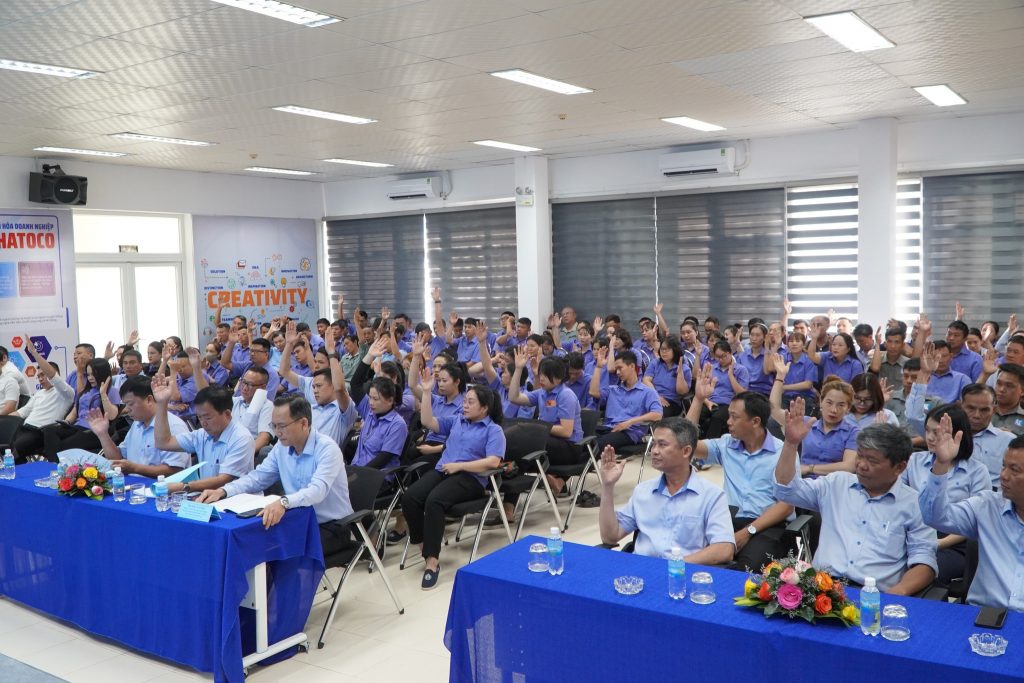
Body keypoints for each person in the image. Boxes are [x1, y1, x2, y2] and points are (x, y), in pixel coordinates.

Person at [774, 401, 938, 595]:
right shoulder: (836, 483)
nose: (861, 465)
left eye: (872, 460)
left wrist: (899, 591)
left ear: (899, 467)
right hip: (821, 590)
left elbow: (924, 562)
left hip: (874, 594)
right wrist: (791, 444)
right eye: (860, 456)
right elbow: (786, 490)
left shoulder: (915, 504)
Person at [198, 395, 354, 557]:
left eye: (282, 426)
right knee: (249, 544)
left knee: (276, 552)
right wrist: (224, 491)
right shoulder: (281, 447)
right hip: (296, 520)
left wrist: (283, 502)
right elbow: (258, 478)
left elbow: (317, 491)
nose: (277, 432)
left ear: (303, 423)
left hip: (331, 526)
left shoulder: (327, 449)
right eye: (274, 426)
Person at [401, 378, 506, 590]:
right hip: (445, 470)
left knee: (434, 501)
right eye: (465, 401)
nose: (464, 405)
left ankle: (432, 562)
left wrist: (461, 466)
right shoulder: (458, 420)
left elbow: (493, 462)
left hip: (471, 478)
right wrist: (427, 392)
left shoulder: (493, 430)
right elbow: (428, 421)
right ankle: (424, 547)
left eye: (470, 402)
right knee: (410, 498)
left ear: (484, 408)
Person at [686, 367, 793, 571]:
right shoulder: (727, 444)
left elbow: (786, 506)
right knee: (689, 554)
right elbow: (685, 444)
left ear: (755, 421)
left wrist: (748, 531)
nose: (728, 422)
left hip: (766, 525)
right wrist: (698, 400)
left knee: (745, 571)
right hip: (728, 519)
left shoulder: (783, 452)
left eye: (734, 417)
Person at [598, 417, 735, 563]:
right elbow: (610, 537)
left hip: (682, 572)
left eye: (662, 445)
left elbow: (724, 549)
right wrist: (608, 486)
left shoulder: (712, 496)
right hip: (640, 569)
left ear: (686, 451)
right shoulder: (642, 491)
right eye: (653, 444)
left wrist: (675, 565)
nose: (654, 451)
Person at [918, 432, 1024, 610]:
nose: (1003, 476)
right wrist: (941, 465)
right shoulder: (987, 506)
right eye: (1004, 466)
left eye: (1015, 470)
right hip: (983, 614)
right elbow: (934, 516)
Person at [900, 404, 987, 586]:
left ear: (956, 435)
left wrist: (938, 543)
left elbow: (976, 521)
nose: (930, 437)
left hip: (952, 541)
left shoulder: (977, 471)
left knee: (923, 573)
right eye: (927, 431)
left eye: (937, 432)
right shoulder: (914, 460)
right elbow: (899, 500)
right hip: (911, 531)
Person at [152, 379, 254, 494]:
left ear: (227, 414)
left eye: (208, 417)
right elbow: (163, 443)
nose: (203, 423)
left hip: (236, 500)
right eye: (199, 417)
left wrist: (184, 486)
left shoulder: (241, 438)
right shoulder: (202, 434)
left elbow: (223, 480)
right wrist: (162, 404)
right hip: (206, 497)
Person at [508, 352, 583, 494]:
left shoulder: (566, 395)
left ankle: (512, 499)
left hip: (569, 447)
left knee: (523, 446)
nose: (541, 378)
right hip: (549, 440)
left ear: (559, 378)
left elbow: (566, 431)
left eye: (546, 375)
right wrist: (518, 369)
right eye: (540, 374)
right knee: (519, 448)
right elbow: (514, 397)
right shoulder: (542, 392)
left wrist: (539, 428)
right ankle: (511, 498)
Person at [85, 376, 190, 477]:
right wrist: (103, 434)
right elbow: (118, 458)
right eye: (125, 404)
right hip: (134, 485)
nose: (127, 409)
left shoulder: (174, 426)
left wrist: (135, 469)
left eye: (130, 404)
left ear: (149, 400)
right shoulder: (137, 424)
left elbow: (175, 470)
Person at [769, 366, 859, 475]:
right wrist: (780, 377)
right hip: (804, 481)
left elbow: (849, 466)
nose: (834, 410)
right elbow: (774, 410)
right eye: (829, 403)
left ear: (848, 408)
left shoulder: (853, 432)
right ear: (821, 402)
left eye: (841, 405)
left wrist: (810, 468)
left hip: (834, 482)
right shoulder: (806, 423)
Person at [40, 358, 119, 461]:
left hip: (94, 430)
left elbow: (112, 415)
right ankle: (54, 464)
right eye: (88, 374)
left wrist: (103, 394)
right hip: (77, 426)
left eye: (93, 374)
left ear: (102, 373)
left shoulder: (112, 391)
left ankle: (58, 465)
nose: (90, 378)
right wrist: (66, 422)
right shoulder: (86, 391)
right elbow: (75, 411)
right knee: (49, 431)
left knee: (63, 445)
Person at [10, 339, 75, 460]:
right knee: (6, 442)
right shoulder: (39, 394)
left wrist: (34, 353)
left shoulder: (66, 393)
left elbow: (53, 376)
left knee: (13, 450)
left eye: (42, 375)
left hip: (41, 432)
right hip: (23, 428)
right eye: (38, 376)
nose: (40, 379)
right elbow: (21, 412)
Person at [588, 348, 663, 452]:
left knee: (595, 444)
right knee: (583, 439)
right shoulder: (613, 390)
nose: (617, 372)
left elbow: (657, 415)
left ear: (632, 366)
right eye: (616, 369)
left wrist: (630, 422)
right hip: (608, 428)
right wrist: (598, 367)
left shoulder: (647, 392)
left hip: (629, 432)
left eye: (620, 368)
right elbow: (593, 392)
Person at [350, 377, 409, 470]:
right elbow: (355, 384)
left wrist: (357, 474)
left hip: (376, 474)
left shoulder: (398, 424)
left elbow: (382, 460)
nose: (371, 402)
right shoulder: (370, 412)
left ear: (390, 401)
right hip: (356, 467)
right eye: (370, 397)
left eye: (375, 399)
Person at [698, 340, 750, 439]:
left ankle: (709, 445)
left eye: (723, 356)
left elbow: (742, 393)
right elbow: (702, 390)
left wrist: (730, 375)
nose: (720, 359)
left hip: (728, 404)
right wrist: (707, 402)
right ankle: (694, 441)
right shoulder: (712, 368)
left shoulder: (740, 370)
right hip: (710, 401)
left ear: (730, 353)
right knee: (698, 413)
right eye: (717, 357)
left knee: (717, 417)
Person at [642, 336, 691, 417]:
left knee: (656, 414)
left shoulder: (685, 369)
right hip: (653, 397)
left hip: (671, 402)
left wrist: (680, 373)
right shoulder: (655, 363)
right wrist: (657, 397)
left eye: (667, 349)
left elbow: (682, 392)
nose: (663, 352)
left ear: (675, 350)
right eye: (662, 349)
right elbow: (646, 380)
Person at [736, 322, 773, 396]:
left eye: (758, 335)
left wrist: (767, 348)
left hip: (764, 393)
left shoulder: (770, 355)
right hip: (745, 392)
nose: (754, 338)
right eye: (752, 335)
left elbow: (767, 372)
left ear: (765, 337)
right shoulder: (742, 356)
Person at [991, 363, 1024, 435]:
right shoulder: (983, 411)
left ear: (1022, 391)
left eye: (1009, 386)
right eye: (999, 383)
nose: (1001, 389)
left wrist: (1014, 438)